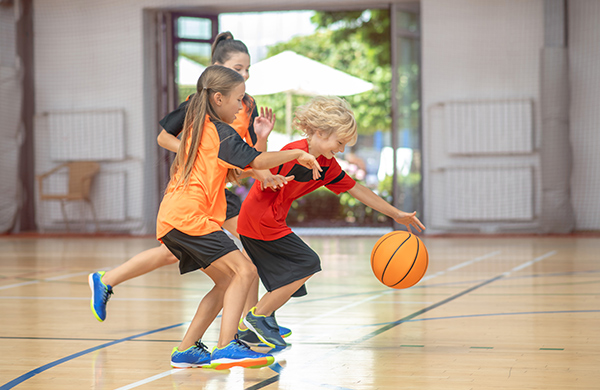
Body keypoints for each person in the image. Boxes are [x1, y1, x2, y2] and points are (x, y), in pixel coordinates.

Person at [88, 32, 292, 339]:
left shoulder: (246, 104)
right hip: (198, 190)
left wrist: (264, 162)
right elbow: (163, 138)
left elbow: (251, 156)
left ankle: (107, 280)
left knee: (175, 253)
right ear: (217, 71)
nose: (245, 75)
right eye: (238, 68)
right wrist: (196, 150)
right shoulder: (197, 105)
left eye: (248, 69)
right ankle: (251, 323)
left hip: (221, 187)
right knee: (246, 256)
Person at [153, 65, 321, 369]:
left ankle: (187, 349)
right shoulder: (219, 131)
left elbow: (242, 168)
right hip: (189, 217)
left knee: (226, 281)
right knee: (245, 269)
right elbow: (255, 160)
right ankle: (226, 345)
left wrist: (262, 147)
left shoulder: (199, 128)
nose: (241, 107)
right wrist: (296, 154)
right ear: (218, 98)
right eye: (238, 99)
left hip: (175, 219)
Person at [236, 96, 426, 348]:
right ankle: (257, 317)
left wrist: (395, 214)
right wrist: (262, 141)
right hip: (260, 220)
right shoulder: (293, 151)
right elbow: (260, 168)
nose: (342, 150)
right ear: (321, 132)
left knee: (275, 271)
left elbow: (357, 189)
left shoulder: (327, 165)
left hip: (268, 221)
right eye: (340, 142)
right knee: (307, 262)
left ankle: (250, 327)